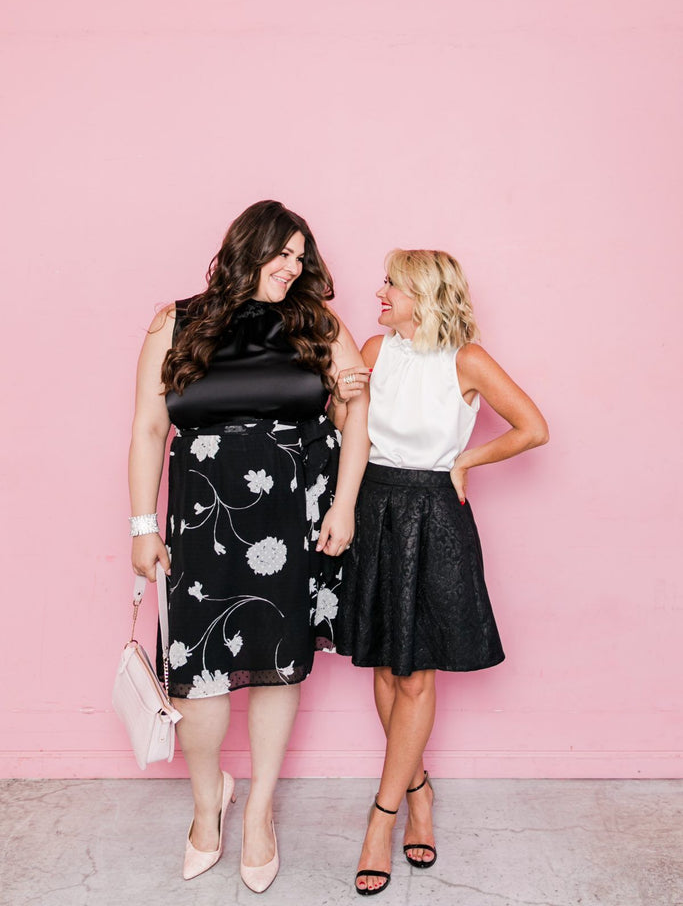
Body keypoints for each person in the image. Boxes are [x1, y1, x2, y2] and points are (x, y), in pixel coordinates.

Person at [128, 200, 368, 891]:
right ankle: (210, 800)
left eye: (301, 257)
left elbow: (357, 415)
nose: (293, 268)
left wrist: (344, 506)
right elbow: (148, 429)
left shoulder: (317, 323)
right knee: (197, 678)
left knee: (276, 667)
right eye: (282, 253)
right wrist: (143, 526)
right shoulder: (174, 321)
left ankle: (259, 811)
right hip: (201, 519)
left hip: (293, 519)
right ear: (246, 249)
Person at [331, 248, 549, 896]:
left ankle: (384, 814)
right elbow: (352, 435)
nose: (378, 292)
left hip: (434, 515)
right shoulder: (373, 350)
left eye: (390, 285)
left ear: (421, 295)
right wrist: (341, 398)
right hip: (374, 508)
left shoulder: (467, 360)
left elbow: (532, 428)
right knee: (381, 664)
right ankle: (419, 787)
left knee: (416, 671)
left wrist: (465, 461)